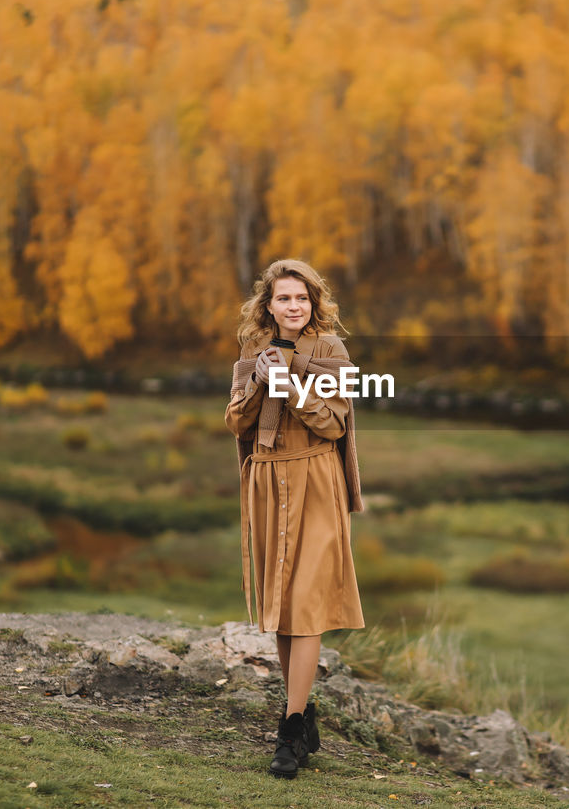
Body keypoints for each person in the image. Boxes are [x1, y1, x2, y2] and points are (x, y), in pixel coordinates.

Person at [224, 258, 365, 780]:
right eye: (284, 298)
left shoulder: (330, 350)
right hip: (266, 480)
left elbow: (333, 423)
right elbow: (235, 419)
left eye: (302, 299)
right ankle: (302, 717)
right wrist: (260, 380)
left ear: (314, 304)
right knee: (281, 607)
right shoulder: (252, 351)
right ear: (269, 304)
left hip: (314, 478)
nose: (293, 306)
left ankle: (288, 732)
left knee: (305, 604)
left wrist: (291, 385)